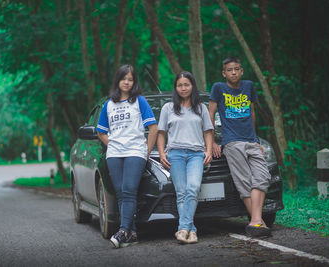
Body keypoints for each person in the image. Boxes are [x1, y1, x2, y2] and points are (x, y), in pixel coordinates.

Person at [96, 64, 158, 248]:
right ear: (118, 80)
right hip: (114, 153)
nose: (127, 82)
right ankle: (131, 234)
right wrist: (113, 143)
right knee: (121, 193)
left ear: (134, 82)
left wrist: (146, 151)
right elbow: (101, 132)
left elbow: (153, 128)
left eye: (130, 79)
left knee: (130, 189)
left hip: (135, 152)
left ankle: (122, 231)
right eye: (124, 78)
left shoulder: (139, 101)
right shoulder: (109, 104)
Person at [209, 56, 271, 237]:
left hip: (251, 141)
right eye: (230, 70)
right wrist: (212, 141)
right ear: (224, 73)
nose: (234, 72)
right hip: (232, 142)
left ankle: (255, 221)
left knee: (263, 176)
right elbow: (210, 114)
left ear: (242, 71)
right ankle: (259, 222)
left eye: (237, 69)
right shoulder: (218, 88)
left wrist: (256, 139)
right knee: (244, 181)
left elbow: (252, 112)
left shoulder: (249, 86)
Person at [157, 71, 213, 244]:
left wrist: (209, 151)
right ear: (176, 87)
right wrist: (161, 153)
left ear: (192, 86)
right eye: (180, 85)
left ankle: (183, 228)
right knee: (181, 193)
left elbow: (208, 131)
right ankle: (191, 231)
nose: (183, 88)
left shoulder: (201, 107)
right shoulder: (168, 108)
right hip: (175, 154)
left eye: (186, 84)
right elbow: (161, 133)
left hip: (196, 154)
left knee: (193, 188)